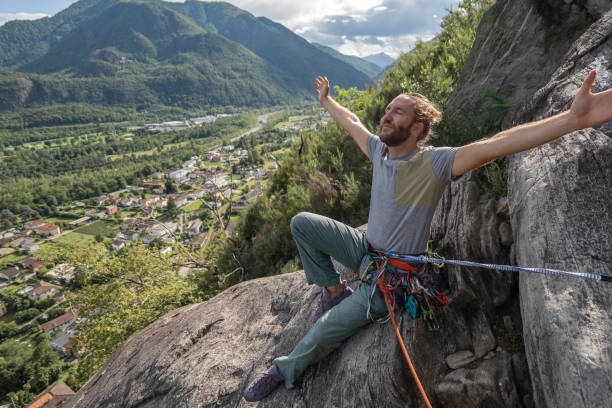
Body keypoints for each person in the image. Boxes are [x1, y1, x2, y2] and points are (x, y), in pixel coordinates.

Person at [243, 71, 612, 402]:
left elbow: (498, 143)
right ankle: (335, 290)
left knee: (323, 333)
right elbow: (352, 121)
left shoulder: (433, 164)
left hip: (391, 279)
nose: (386, 116)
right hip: (365, 252)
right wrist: (327, 101)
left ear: (418, 128)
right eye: (388, 110)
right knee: (302, 223)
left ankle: (284, 369)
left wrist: (572, 119)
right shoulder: (379, 152)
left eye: (398, 113)